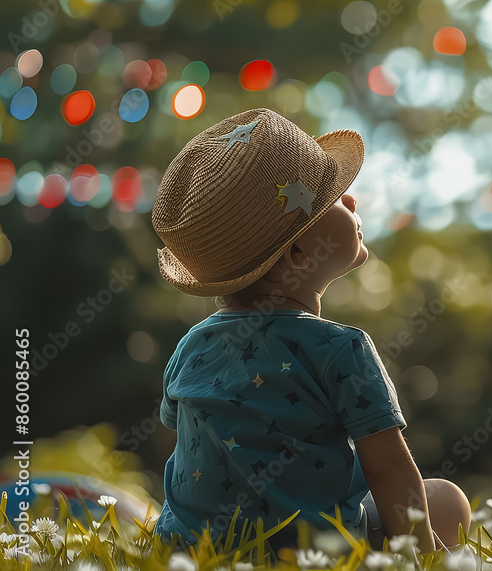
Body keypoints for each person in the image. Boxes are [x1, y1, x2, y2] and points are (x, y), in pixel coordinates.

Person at [149, 108, 470, 554]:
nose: (352, 201)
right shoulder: (341, 348)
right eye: (333, 198)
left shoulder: (190, 347)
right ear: (300, 255)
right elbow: (387, 469)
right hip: (314, 553)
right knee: (446, 502)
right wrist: (420, 557)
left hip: (194, 553)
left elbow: (187, 446)